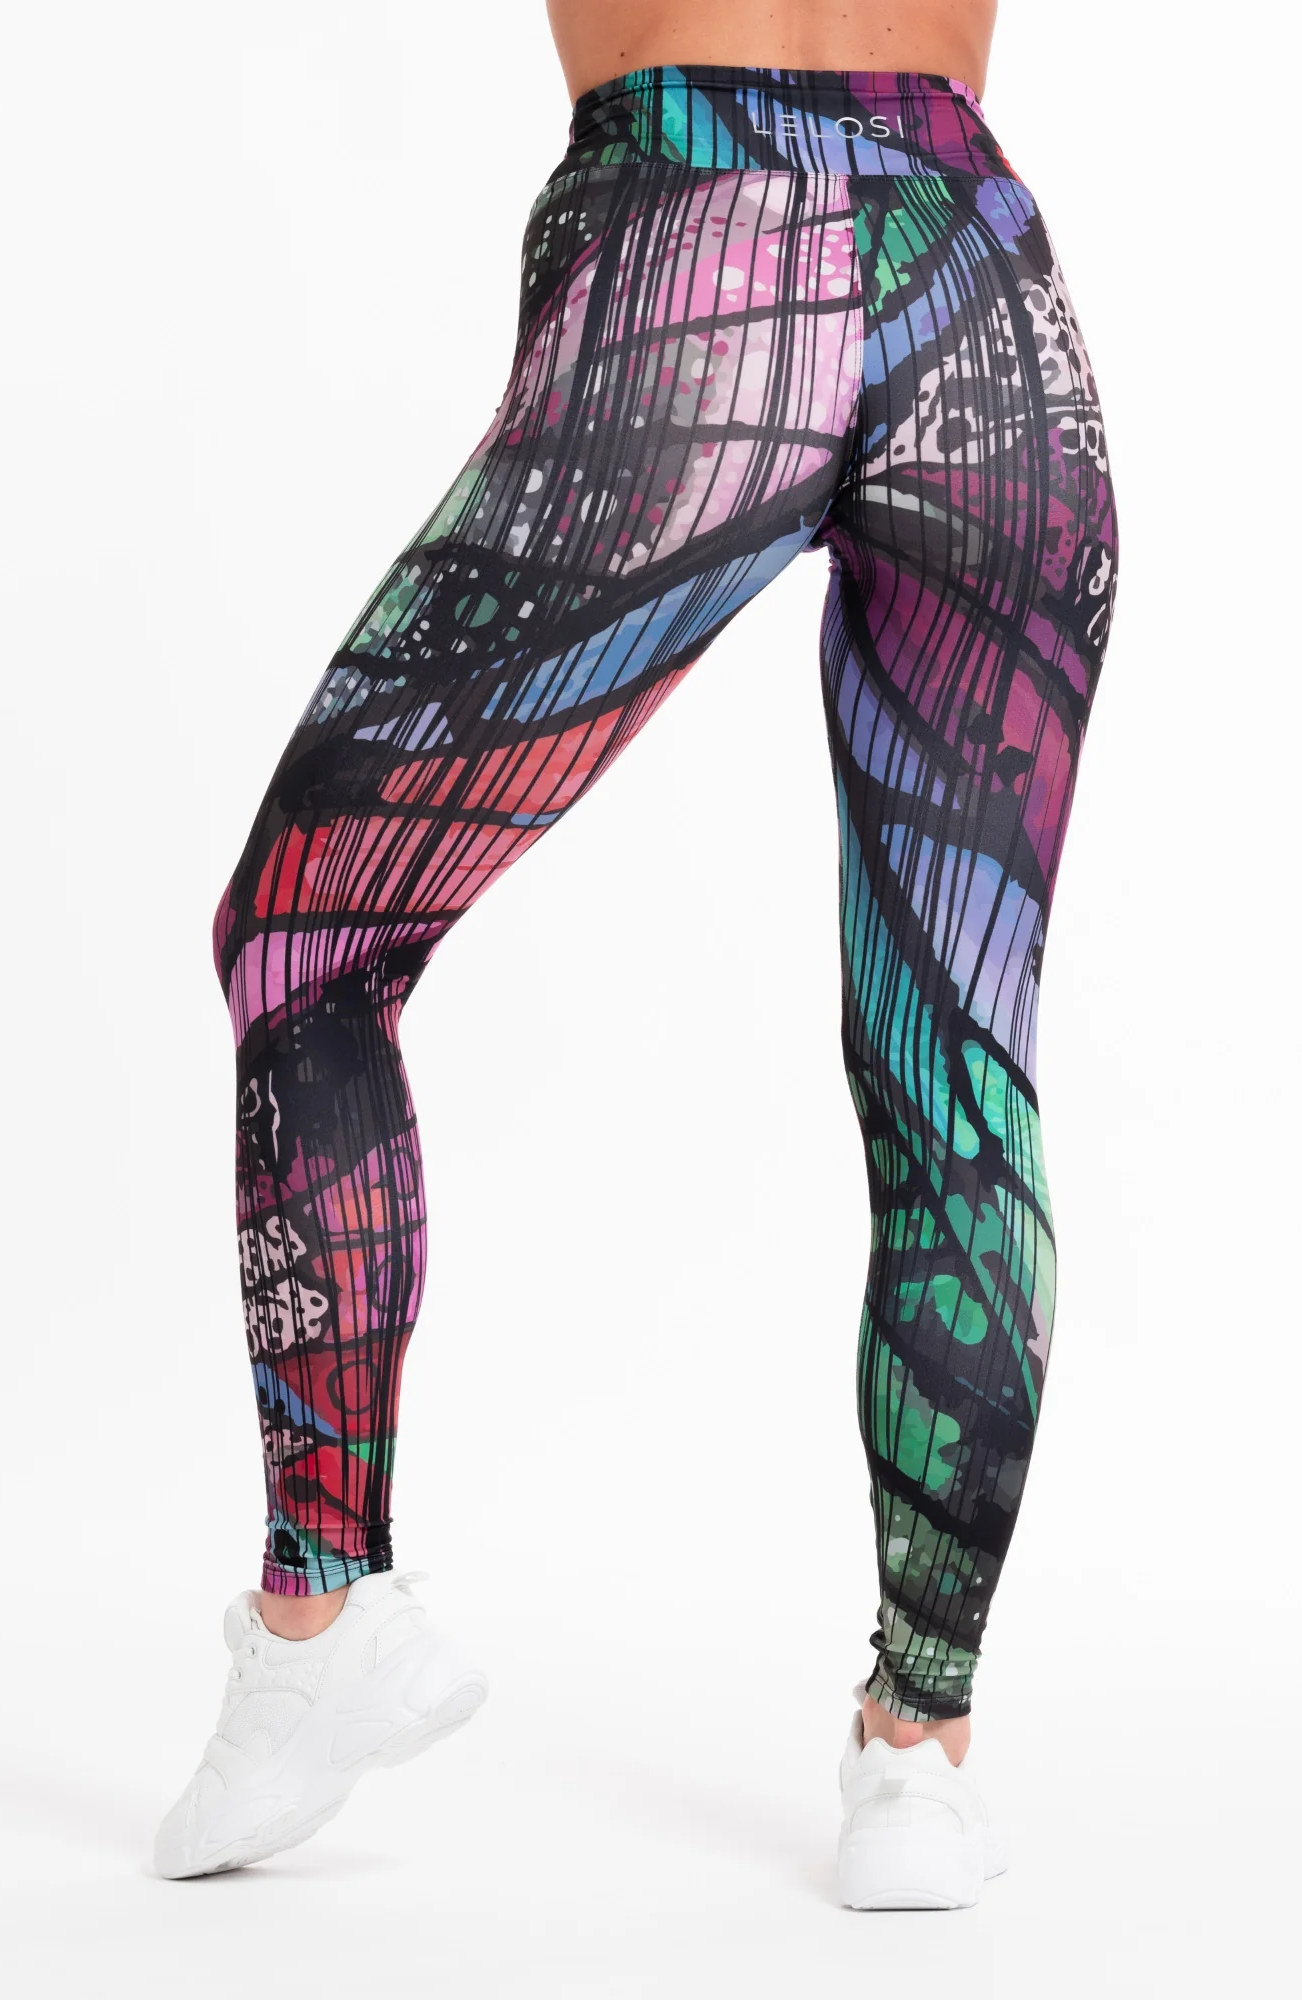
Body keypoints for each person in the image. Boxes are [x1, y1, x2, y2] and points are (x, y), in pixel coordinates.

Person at [154, 0, 1117, 1910]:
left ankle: (321, 1615)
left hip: (698, 241)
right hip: (987, 283)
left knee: (305, 937)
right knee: (956, 1061)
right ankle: (918, 1757)